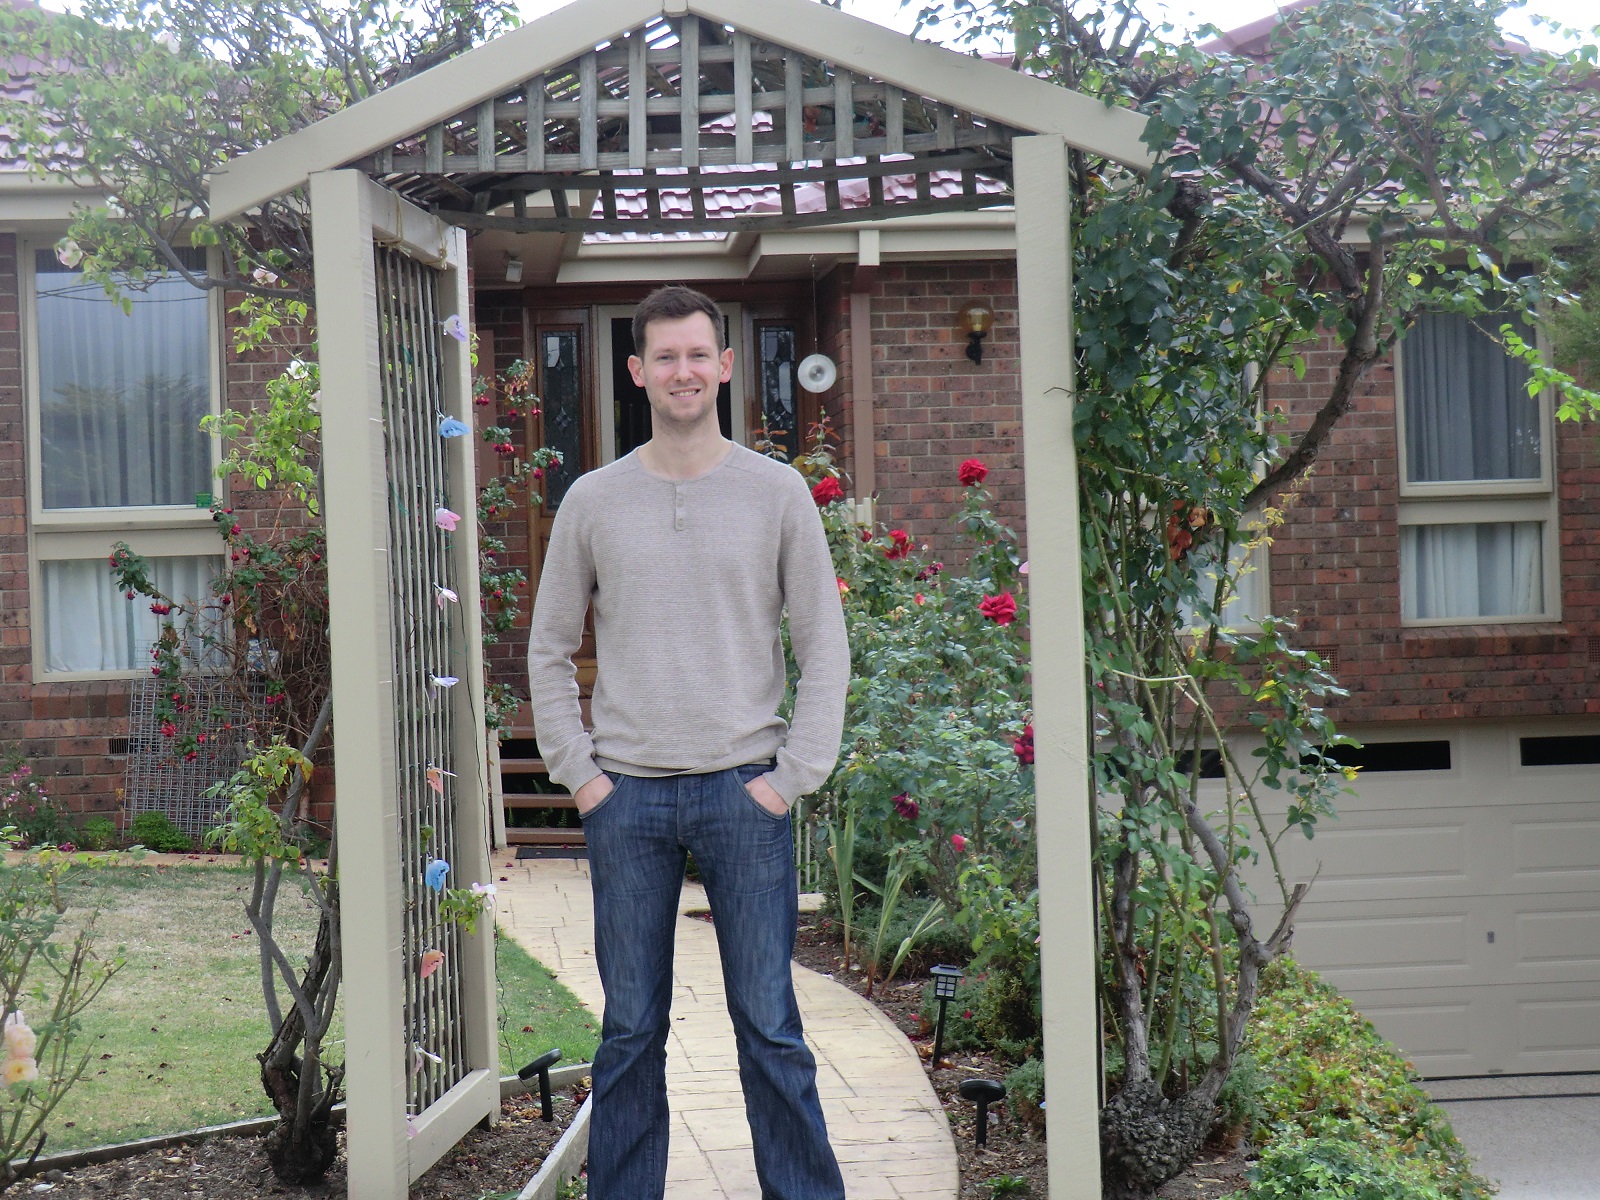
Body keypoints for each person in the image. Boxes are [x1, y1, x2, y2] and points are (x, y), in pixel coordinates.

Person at [527, 285, 850, 1200]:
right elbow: (548, 647)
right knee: (630, 1031)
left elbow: (824, 643)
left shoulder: (776, 493)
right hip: (626, 798)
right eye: (665, 357)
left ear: (726, 365)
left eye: (698, 354)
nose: (683, 371)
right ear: (637, 372)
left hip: (746, 792)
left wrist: (793, 777)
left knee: (770, 1025)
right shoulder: (593, 500)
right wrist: (581, 776)